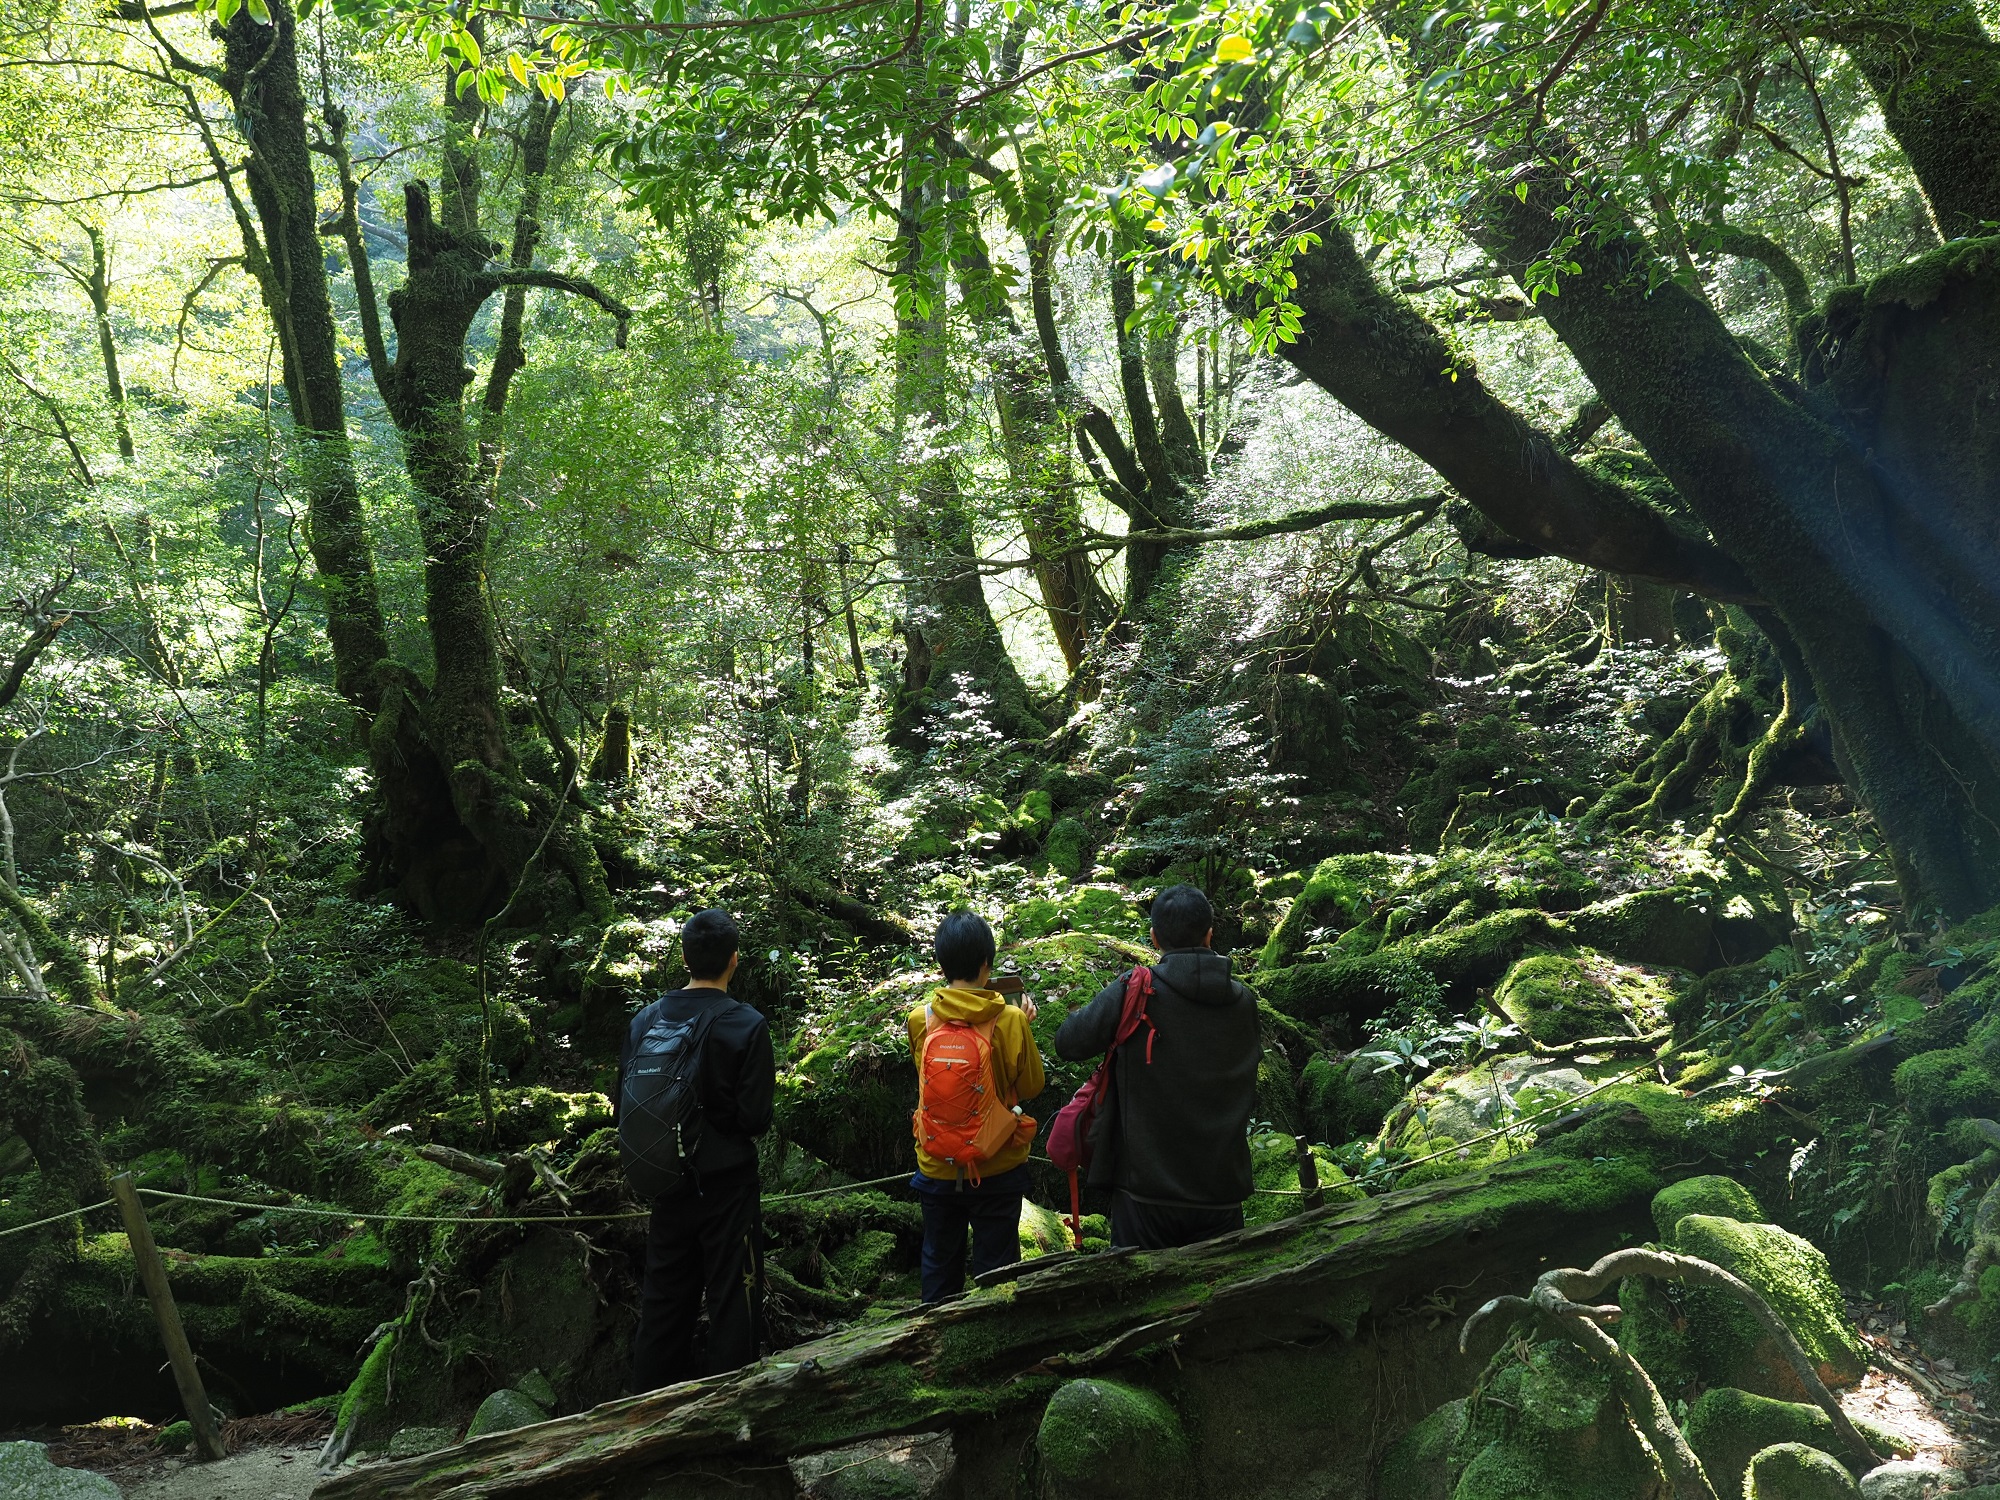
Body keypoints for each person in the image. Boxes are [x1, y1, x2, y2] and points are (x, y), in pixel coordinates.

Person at [1054, 883, 1261, 1250]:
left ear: (1153, 938)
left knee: (1141, 1303)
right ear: (1210, 935)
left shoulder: (1137, 989)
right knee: (1222, 1300)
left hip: (1144, 1195)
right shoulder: (1243, 1003)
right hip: (1221, 1192)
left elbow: (1068, 1042)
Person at [618, 908, 775, 1390]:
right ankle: (732, 1415)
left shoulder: (645, 1020)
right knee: (734, 1298)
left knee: (664, 1301)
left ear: (683, 957)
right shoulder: (746, 1024)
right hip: (727, 1187)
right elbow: (755, 1119)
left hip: (664, 1180)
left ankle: (648, 1411)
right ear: (734, 960)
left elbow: (621, 1103)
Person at [907, 909, 1046, 1301]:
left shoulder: (922, 1019)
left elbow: (930, 1080)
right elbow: (1031, 1085)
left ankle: (933, 1339)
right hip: (998, 1162)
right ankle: (998, 1345)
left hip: (936, 1164)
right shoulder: (1010, 1019)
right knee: (999, 1266)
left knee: (937, 1258)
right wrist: (1022, 1025)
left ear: (942, 963)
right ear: (987, 963)